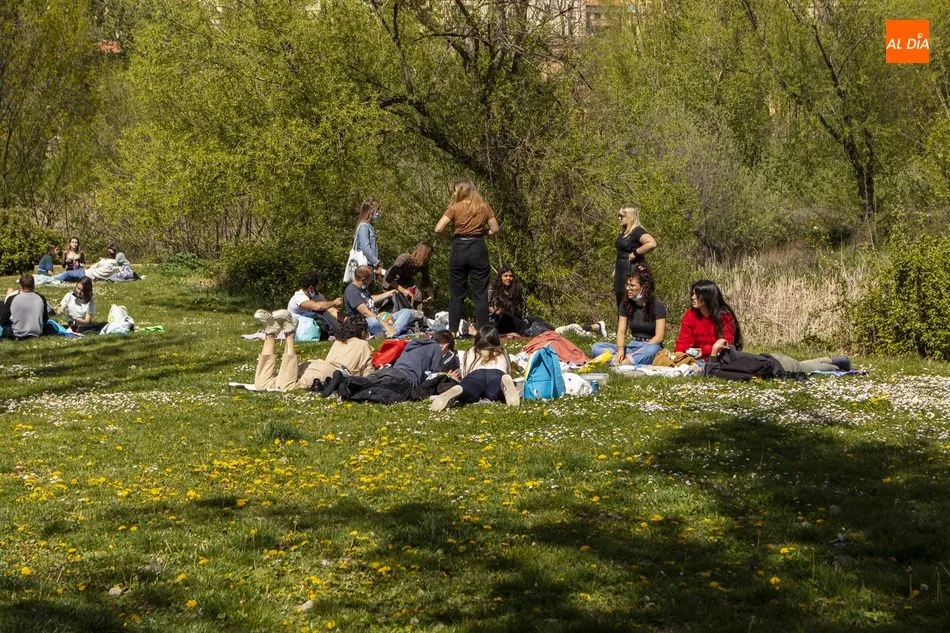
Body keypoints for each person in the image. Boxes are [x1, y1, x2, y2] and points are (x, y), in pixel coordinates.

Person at [434, 179, 500, 335]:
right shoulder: (484, 207)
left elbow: (438, 228)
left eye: (455, 190)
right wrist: (483, 232)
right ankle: (483, 333)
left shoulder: (454, 208)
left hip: (459, 249)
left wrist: (451, 237)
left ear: (462, 191)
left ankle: (452, 332)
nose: (453, 193)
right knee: (481, 294)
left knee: (456, 294)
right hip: (478, 248)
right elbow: (495, 229)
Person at [320, 330, 459, 402]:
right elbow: (432, 376)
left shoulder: (415, 344)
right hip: (406, 378)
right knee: (380, 390)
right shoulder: (436, 348)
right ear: (445, 346)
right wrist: (447, 377)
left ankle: (345, 380)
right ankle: (345, 381)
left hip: (390, 370)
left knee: (370, 381)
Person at [253, 311, 374, 391]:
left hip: (315, 364)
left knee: (263, 384)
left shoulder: (339, 341)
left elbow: (328, 361)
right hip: (332, 372)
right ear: (363, 333)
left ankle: (270, 334)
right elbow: (368, 376)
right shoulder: (364, 344)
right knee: (286, 386)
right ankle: (289, 333)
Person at [429, 325, 520, 411]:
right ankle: (503, 385)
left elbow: (465, 372)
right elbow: (508, 370)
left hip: (476, 374)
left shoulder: (472, 350)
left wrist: (465, 381)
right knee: (493, 393)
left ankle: (460, 390)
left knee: (470, 389)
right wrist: (506, 376)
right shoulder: (502, 350)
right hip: (498, 374)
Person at [591, 265, 666, 365]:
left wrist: (640, 351)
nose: (628, 288)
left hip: (650, 346)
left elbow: (659, 336)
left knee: (653, 350)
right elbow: (621, 331)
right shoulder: (625, 304)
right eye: (627, 285)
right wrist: (620, 350)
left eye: (632, 286)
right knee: (596, 347)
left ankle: (621, 361)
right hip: (632, 345)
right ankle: (624, 360)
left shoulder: (657, 305)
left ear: (644, 287)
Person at [674, 279, 742, 361]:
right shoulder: (690, 315)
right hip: (695, 358)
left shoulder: (724, 316)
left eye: (697, 295)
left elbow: (726, 343)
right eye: (693, 294)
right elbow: (684, 340)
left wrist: (704, 351)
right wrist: (679, 354)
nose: (692, 297)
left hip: (719, 357)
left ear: (708, 297)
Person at [344, 265, 421, 337]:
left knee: (406, 311)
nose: (371, 281)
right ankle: (395, 332)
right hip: (364, 323)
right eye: (370, 278)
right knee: (373, 322)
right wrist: (385, 324)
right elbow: (365, 312)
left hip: (378, 318)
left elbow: (370, 300)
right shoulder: (351, 291)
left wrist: (388, 293)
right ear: (363, 279)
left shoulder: (363, 288)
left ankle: (393, 332)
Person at [709, 339, 851, 375]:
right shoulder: (730, 356)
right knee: (800, 364)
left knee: (802, 368)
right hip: (770, 357)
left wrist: (714, 350)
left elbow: (712, 372)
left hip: (777, 366)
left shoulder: (725, 370)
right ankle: (830, 359)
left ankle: (835, 366)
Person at [487, 266, 553, 337]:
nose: (508, 278)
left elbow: (521, 310)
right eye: (505, 276)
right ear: (500, 277)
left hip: (517, 320)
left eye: (510, 276)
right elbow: (491, 310)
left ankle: (554, 330)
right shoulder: (493, 292)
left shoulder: (515, 291)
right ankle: (531, 330)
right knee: (517, 320)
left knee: (536, 319)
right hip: (503, 322)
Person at [613, 205, 657, 307]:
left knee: (632, 301)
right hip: (620, 270)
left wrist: (636, 253)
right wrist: (615, 269)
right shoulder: (624, 232)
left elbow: (652, 243)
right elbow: (620, 252)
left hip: (632, 269)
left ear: (630, 216)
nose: (619, 218)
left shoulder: (637, 231)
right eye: (619, 215)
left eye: (622, 216)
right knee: (621, 302)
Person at [288, 271, 344, 339]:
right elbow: (317, 306)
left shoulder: (316, 295)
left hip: (310, 325)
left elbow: (330, 309)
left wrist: (346, 320)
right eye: (319, 285)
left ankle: (342, 330)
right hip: (299, 328)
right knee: (321, 311)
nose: (320, 287)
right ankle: (339, 332)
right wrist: (334, 302)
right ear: (311, 288)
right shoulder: (298, 297)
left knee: (325, 310)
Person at [381, 241, 434, 312]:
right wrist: (403, 290)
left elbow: (426, 280)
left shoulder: (424, 264)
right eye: (428, 255)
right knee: (396, 298)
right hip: (392, 281)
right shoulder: (404, 258)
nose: (429, 258)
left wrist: (430, 295)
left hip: (405, 281)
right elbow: (389, 278)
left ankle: (415, 314)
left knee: (418, 296)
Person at [1, 274, 51, 340]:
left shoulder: (11, 299)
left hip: (17, 334)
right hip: (37, 333)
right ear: (33, 285)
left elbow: (3, 320)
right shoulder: (41, 298)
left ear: (20, 286)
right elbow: (45, 319)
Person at [354, 197, 384, 280]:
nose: (379, 212)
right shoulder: (364, 226)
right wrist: (376, 263)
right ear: (370, 211)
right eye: (377, 209)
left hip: (369, 267)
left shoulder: (369, 226)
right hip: (365, 268)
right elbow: (365, 247)